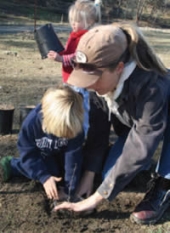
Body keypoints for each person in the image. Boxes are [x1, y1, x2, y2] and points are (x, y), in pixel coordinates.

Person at [53, 23, 170, 225]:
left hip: (158, 124)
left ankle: (165, 184)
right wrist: (89, 175)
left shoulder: (151, 88)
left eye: (93, 78)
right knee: (109, 175)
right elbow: (99, 132)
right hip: (141, 128)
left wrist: (95, 199)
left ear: (119, 68)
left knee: (116, 179)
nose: (88, 85)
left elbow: (141, 143)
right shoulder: (98, 82)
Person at [47, 0, 110, 199]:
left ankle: (77, 144)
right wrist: (59, 54)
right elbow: (69, 53)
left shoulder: (88, 37)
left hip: (83, 84)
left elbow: (79, 58)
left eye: (78, 21)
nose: (73, 24)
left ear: (90, 21)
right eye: (72, 21)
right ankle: (68, 147)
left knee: (81, 118)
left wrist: (61, 59)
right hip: (71, 81)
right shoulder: (76, 34)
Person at [0, 85, 85, 200]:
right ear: (46, 120)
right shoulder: (30, 124)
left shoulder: (76, 127)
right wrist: (44, 177)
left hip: (61, 154)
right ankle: (13, 165)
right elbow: (28, 154)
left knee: (75, 170)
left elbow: (73, 157)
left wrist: (68, 190)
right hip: (41, 154)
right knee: (50, 171)